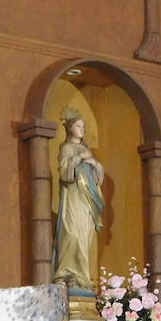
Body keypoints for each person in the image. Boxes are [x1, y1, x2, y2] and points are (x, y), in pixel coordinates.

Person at [52, 110, 106, 292]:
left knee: (83, 236)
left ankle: (81, 277)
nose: (82, 130)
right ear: (69, 128)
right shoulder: (66, 148)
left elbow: (98, 179)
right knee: (72, 233)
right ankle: (66, 274)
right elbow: (65, 174)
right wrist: (78, 158)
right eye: (78, 126)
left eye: (83, 126)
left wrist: (96, 165)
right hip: (73, 198)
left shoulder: (87, 150)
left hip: (87, 201)